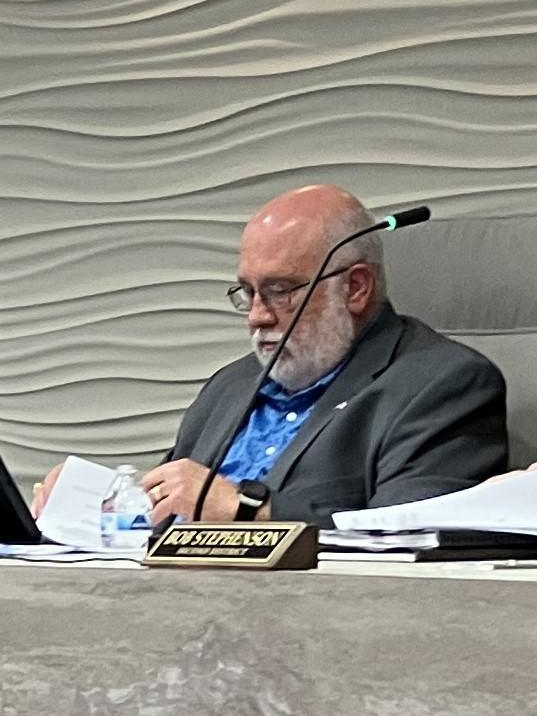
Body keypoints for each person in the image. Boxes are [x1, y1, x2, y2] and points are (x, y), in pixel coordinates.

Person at [33, 186, 507, 526]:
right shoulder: (230, 386)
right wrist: (99, 501)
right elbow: (176, 503)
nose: (257, 316)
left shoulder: (445, 385)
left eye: (280, 291)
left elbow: (412, 538)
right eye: (248, 292)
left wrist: (246, 511)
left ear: (355, 288)